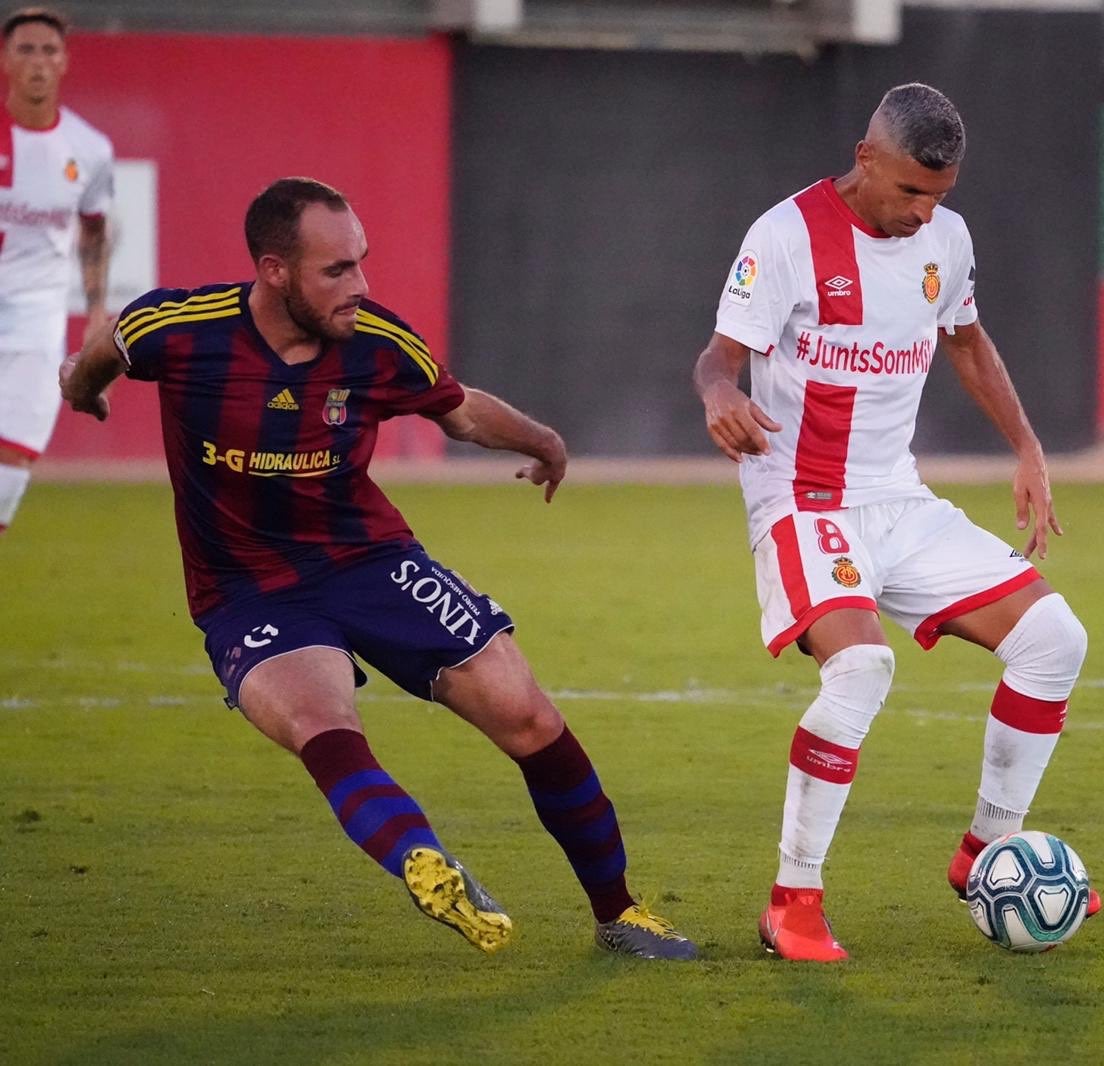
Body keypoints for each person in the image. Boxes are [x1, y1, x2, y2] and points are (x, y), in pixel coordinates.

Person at [61, 177, 696, 960]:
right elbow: (108, 349)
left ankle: (619, 914)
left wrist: (545, 441)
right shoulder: (183, 330)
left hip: (371, 562)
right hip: (245, 589)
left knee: (528, 715)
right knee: (324, 726)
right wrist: (80, 389)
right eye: (336, 271)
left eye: (362, 263)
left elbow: (457, 409)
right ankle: (424, 862)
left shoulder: (376, 343)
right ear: (274, 271)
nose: (359, 285)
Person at [692, 83, 1100, 961]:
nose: (926, 213)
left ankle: (988, 851)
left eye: (941, 196)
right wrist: (721, 393)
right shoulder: (786, 236)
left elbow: (966, 340)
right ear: (867, 156)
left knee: (1056, 641)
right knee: (862, 670)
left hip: (899, 500)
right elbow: (719, 356)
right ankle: (792, 902)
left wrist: (1027, 447)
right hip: (803, 500)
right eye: (912, 192)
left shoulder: (945, 240)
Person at [0, 6, 111, 534]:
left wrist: (94, 312)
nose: (38, 62)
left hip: (36, 323)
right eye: (26, 49)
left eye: (49, 50)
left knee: (12, 464)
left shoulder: (89, 151)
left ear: (64, 61)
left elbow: (93, 232)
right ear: (6, 59)